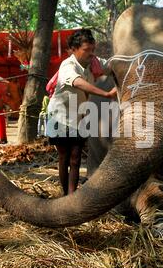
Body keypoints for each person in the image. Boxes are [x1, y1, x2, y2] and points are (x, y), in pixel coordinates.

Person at [47, 29, 117, 195]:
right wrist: (106, 94)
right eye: (86, 50)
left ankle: (73, 196)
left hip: (78, 116)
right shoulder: (68, 66)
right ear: (73, 49)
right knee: (65, 156)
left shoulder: (95, 63)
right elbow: (78, 83)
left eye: (92, 50)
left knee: (76, 156)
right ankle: (65, 194)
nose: (91, 54)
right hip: (60, 116)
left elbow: (112, 65)